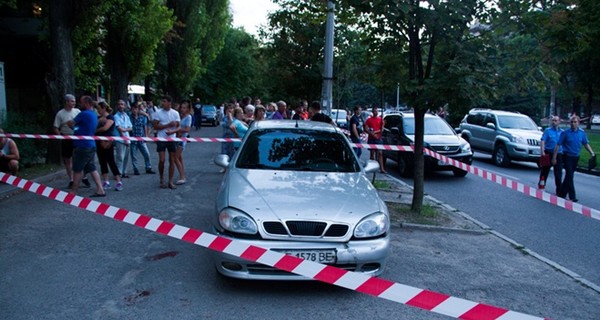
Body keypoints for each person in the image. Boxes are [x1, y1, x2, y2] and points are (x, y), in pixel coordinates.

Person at [552, 116, 595, 202]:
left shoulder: (581, 133)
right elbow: (558, 145)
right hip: (567, 156)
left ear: (578, 123)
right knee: (570, 175)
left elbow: (585, 144)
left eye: (575, 122)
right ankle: (572, 196)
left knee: (569, 175)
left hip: (576, 156)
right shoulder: (565, 133)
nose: (573, 124)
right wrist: (554, 157)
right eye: (572, 122)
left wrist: (591, 152)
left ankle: (562, 193)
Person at [70, 96, 105, 197]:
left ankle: (73, 191)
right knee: (91, 167)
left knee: (77, 168)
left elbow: (71, 124)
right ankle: (100, 189)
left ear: (86, 103)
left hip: (82, 145)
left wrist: (74, 127)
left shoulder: (83, 114)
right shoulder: (93, 114)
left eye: (81, 102)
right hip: (91, 144)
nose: (80, 104)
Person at [53, 94, 87, 188]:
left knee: (80, 158)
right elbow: (56, 127)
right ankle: (71, 179)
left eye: (74, 101)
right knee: (67, 159)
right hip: (66, 138)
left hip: (77, 137)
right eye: (72, 101)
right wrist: (60, 137)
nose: (74, 103)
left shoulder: (78, 111)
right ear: (67, 102)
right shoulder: (60, 113)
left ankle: (84, 176)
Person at [152, 95, 180, 189]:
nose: (162, 103)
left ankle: (170, 181)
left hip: (172, 138)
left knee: (172, 160)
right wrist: (167, 125)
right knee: (162, 160)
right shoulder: (158, 113)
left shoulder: (175, 113)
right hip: (161, 138)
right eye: (162, 101)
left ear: (169, 103)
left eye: (164, 101)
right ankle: (161, 178)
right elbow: (155, 126)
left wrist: (173, 131)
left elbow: (179, 126)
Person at [95, 101, 123, 191]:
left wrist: (96, 130)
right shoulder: (98, 118)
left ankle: (119, 181)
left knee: (111, 161)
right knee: (102, 161)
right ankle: (106, 181)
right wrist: (98, 122)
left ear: (103, 108)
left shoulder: (110, 117)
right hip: (98, 141)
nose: (98, 111)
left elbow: (105, 128)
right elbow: (92, 127)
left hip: (108, 142)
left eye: (99, 109)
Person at [129, 103, 155, 175]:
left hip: (141, 138)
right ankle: (135, 169)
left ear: (138, 110)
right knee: (134, 156)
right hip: (133, 139)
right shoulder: (129, 117)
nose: (134, 111)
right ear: (131, 110)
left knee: (146, 154)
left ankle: (148, 167)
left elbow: (145, 126)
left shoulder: (142, 117)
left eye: (136, 109)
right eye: (133, 109)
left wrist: (146, 136)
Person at [538, 116, 563, 192]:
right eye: (553, 120)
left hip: (558, 154)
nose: (554, 122)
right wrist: (542, 151)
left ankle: (559, 190)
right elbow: (543, 141)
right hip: (548, 153)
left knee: (558, 172)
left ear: (559, 122)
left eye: (555, 120)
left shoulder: (562, 132)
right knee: (545, 170)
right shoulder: (548, 131)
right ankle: (542, 185)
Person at [174, 100, 192, 185]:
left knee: (175, 158)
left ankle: (182, 177)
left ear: (188, 109)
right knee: (179, 158)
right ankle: (182, 175)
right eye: (181, 107)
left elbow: (187, 129)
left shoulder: (188, 117)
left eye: (184, 108)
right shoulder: (180, 116)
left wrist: (178, 130)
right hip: (177, 138)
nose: (182, 109)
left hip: (182, 139)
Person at [364, 106, 387, 173]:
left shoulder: (380, 119)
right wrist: (371, 133)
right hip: (371, 138)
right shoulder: (369, 120)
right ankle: (372, 168)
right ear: (372, 112)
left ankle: (382, 168)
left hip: (378, 138)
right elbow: (366, 128)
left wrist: (375, 132)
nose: (375, 112)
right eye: (374, 111)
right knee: (372, 154)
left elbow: (382, 129)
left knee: (380, 153)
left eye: (376, 111)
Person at [114, 99, 133, 178]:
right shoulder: (116, 116)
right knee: (120, 157)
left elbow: (131, 128)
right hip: (120, 139)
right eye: (119, 104)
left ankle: (124, 172)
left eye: (122, 104)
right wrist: (124, 137)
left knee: (126, 157)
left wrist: (125, 129)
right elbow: (119, 128)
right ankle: (118, 173)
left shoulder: (126, 116)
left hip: (127, 138)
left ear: (125, 106)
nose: (121, 106)